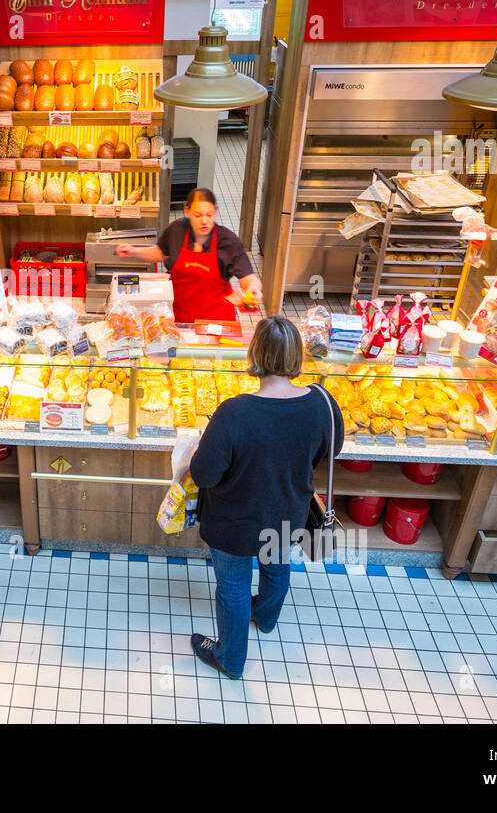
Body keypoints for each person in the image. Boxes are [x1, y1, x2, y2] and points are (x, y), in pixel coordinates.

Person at [186, 315, 343, 680]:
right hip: (289, 512)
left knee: (233, 586)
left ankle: (229, 658)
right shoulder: (321, 402)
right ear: (296, 355)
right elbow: (332, 449)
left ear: (255, 352)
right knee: (276, 564)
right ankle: (267, 617)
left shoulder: (235, 412)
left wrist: (198, 448)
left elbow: (204, 474)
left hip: (234, 523)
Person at [114, 188, 262, 324]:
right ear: (187, 211)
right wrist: (134, 251)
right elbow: (162, 252)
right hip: (179, 316)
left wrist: (252, 289)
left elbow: (250, 279)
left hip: (216, 321)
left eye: (209, 215)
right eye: (198, 215)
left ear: (216, 211)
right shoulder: (177, 230)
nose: (204, 221)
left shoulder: (228, 241)